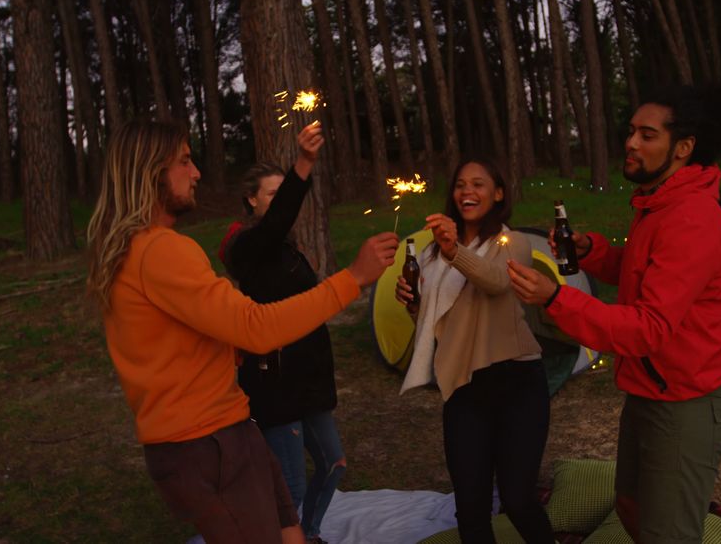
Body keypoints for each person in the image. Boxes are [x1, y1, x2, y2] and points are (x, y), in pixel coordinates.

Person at [85, 119, 398, 544]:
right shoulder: (161, 250)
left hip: (226, 429)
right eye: (185, 161)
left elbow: (172, 339)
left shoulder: (130, 252)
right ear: (150, 171)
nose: (196, 173)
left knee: (292, 534)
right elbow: (256, 327)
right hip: (204, 444)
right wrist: (353, 278)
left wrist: (225, 347)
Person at [506, 86, 721, 544]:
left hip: (688, 399)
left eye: (647, 134)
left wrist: (555, 299)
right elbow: (642, 270)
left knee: (667, 533)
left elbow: (649, 328)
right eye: (631, 131)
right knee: (632, 506)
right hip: (652, 386)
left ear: (683, 147)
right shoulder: (659, 203)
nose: (631, 143)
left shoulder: (690, 218)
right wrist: (592, 251)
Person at [396, 158, 554, 544]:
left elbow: (496, 282)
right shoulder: (432, 254)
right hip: (463, 388)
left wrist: (454, 250)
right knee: (470, 508)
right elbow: (445, 319)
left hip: (516, 383)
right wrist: (415, 305)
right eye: (461, 185)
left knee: (517, 501)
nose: (468, 192)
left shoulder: (510, 241)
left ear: (498, 193)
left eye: (479, 184)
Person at [217, 122, 342, 544]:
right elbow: (273, 226)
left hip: (307, 379)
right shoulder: (246, 246)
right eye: (272, 193)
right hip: (274, 382)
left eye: (281, 192)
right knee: (288, 486)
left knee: (333, 463)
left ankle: (308, 534)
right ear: (251, 200)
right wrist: (303, 164)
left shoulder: (285, 246)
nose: (280, 200)